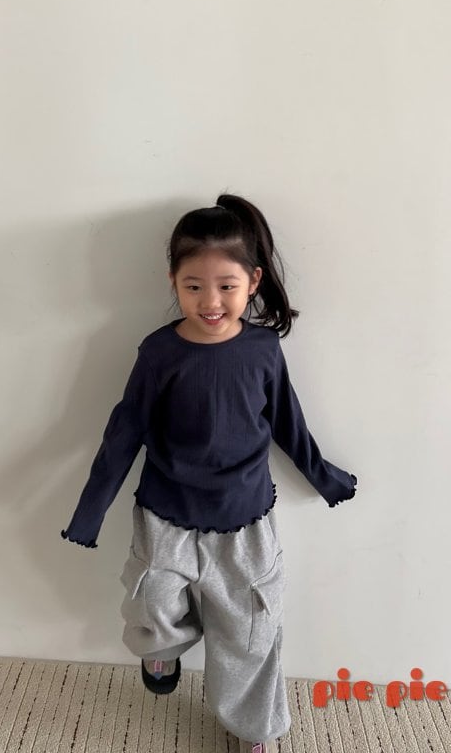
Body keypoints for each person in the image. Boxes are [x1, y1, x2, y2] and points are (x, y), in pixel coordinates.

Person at [61, 193, 357, 753]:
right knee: (151, 599)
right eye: (194, 286)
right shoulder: (158, 353)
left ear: (253, 281)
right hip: (166, 512)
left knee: (249, 631)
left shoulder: (263, 350)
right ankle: (162, 650)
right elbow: (124, 431)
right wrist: (89, 511)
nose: (211, 301)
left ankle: (252, 728)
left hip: (244, 518)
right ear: (173, 281)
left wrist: (324, 478)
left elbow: (287, 422)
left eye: (226, 285)